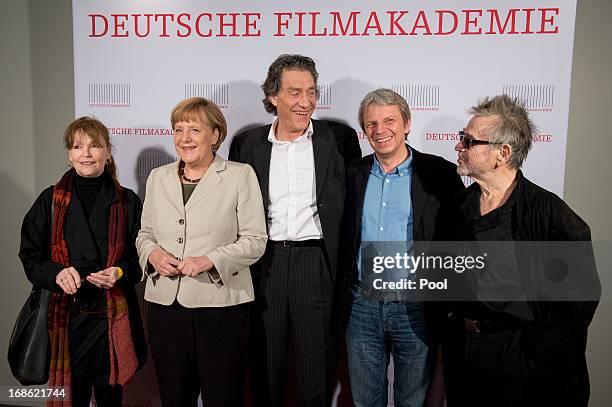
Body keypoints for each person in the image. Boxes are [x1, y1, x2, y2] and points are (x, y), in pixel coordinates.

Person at [442, 95, 600, 407]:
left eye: (468, 141)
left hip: (528, 372)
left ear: (502, 153)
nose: (458, 147)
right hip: (468, 364)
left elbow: (575, 305)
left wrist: (531, 354)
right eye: (461, 137)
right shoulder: (457, 208)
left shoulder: (552, 215)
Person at [229, 54, 361, 406]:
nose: (306, 102)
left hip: (316, 264)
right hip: (264, 263)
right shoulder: (247, 145)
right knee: (265, 369)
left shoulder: (341, 140)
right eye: (295, 92)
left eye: (312, 92)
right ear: (273, 96)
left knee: (316, 373)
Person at [332, 89, 464, 407]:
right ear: (364, 131)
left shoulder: (440, 175)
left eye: (389, 120)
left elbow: (458, 240)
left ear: (406, 123)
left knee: (413, 401)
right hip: (362, 307)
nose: (380, 130)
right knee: (365, 401)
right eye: (371, 123)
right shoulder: (351, 175)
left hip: (416, 308)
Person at [136, 97, 267, 407]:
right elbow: (145, 234)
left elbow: (255, 239)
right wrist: (152, 255)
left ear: (215, 135)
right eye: (178, 129)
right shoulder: (158, 177)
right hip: (165, 308)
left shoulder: (239, 174)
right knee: (174, 397)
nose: (185, 138)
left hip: (220, 309)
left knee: (222, 396)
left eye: (194, 129)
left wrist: (211, 260)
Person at [19, 117, 147, 406]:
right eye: (78, 146)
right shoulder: (49, 201)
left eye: (94, 146)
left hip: (111, 320)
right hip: (65, 321)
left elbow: (141, 257)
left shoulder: (128, 201)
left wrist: (119, 271)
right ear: (69, 154)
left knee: (110, 399)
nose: (86, 153)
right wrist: (56, 273)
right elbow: (30, 255)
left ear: (108, 151)